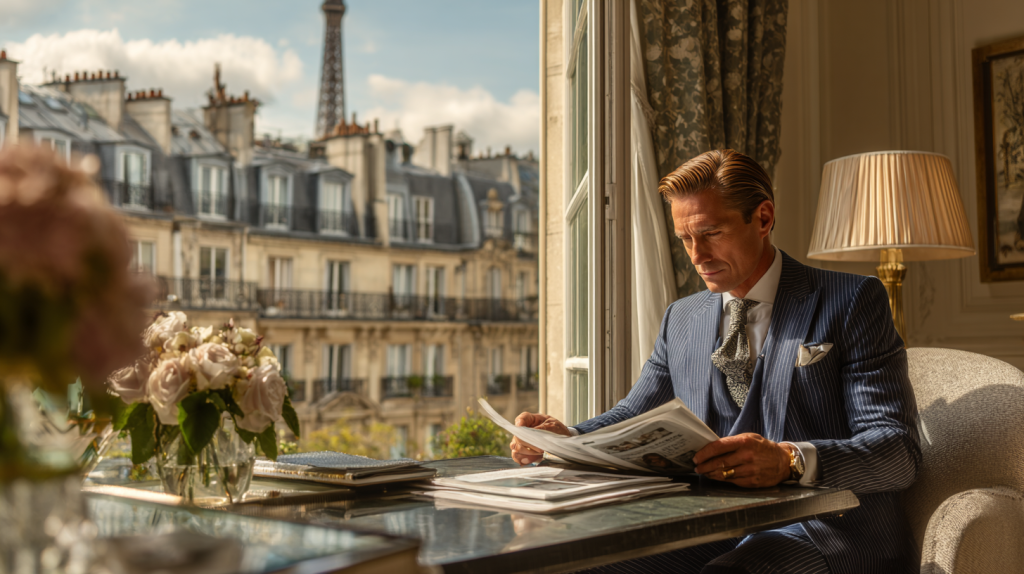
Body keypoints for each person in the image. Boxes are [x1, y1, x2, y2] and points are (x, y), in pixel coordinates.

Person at [511, 149, 921, 574]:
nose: (696, 255)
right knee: (580, 562)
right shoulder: (681, 317)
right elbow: (633, 413)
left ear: (763, 218)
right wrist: (566, 437)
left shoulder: (853, 300)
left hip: (827, 530)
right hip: (711, 524)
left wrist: (789, 460)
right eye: (685, 238)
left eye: (711, 233)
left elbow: (897, 450)